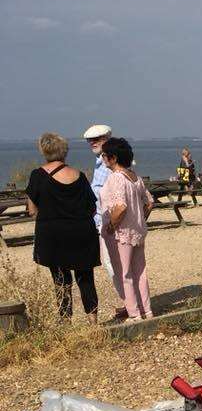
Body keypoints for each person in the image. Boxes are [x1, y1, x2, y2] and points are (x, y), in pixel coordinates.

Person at [24, 133, 100, 322]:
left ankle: (66, 320)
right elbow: (92, 208)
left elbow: (32, 210)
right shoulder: (80, 176)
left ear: (44, 151)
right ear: (64, 151)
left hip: (53, 234)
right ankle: (94, 322)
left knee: (60, 280)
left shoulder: (37, 176)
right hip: (82, 232)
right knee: (85, 278)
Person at [100, 137, 154, 322]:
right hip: (137, 231)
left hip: (122, 233)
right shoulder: (135, 176)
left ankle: (134, 314)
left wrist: (110, 226)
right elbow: (149, 203)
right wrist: (139, 218)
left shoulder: (116, 178)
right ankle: (146, 310)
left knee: (124, 273)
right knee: (140, 272)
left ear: (113, 158)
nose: (103, 158)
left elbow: (120, 207)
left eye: (104, 155)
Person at [84, 123, 126, 319]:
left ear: (107, 139)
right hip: (103, 222)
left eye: (97, 139)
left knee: (116, 265)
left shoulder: (109, 164)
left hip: (110, 222)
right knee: (116, 265)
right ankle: (131, 302)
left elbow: (117, 196)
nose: (92, 143)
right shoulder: (100, 162)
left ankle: (131, 304)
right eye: (89, 140)